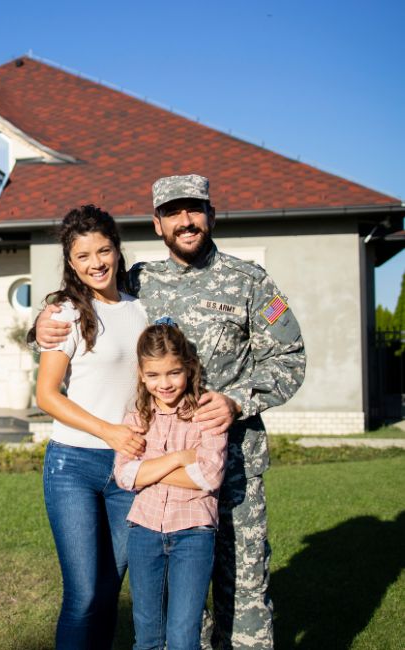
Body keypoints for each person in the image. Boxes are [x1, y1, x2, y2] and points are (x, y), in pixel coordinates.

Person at [36, 174, 306, 649]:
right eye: (174, 213)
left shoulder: (250, 282)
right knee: (172, 593)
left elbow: (290, 358)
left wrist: (237, 399)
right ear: (157, 224)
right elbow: (83, 300)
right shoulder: (142, 282)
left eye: (195, 209)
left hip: (235, 466)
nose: (186, 221)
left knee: (242, 586)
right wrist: (38, 324)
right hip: (163, 464)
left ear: (212, 216)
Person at [35, 204, 149, 648]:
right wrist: (108, 431)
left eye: (103, 251)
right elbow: (46, 396)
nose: (96, 263)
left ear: (118, 252)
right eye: (83, 256)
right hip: (72, 467)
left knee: (108, 591)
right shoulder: (64, 313)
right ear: (71, 263)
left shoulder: (142, 309)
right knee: (82, 594)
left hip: (127, 468)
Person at [114, 321, 228, 650]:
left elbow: (209, 477)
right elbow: (124, 476)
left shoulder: (206, 413)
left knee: (182, 636)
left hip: (193, 533)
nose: (164, 384)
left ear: (188, 368)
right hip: (144, 532)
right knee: (147, 635)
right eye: (153, 375)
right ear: (141, 373)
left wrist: (146, 470)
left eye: (173, 373)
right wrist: (179, 459)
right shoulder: (136, 415)